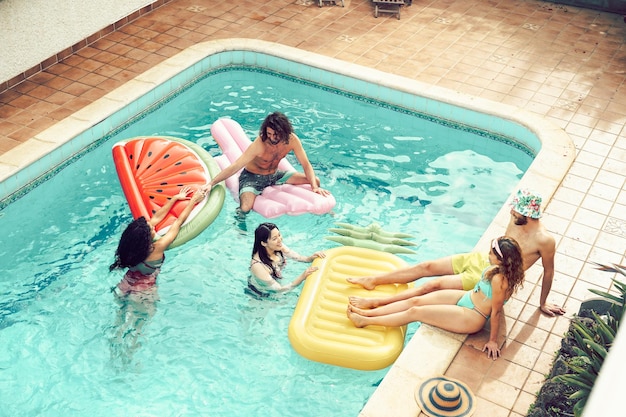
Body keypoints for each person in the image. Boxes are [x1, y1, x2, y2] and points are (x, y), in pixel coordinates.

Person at [347, 189, 566, 316]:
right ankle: (373, 280)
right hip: (480, 258)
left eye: (515, 210)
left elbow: (548, 272)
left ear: (528, 215)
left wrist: (543, 303)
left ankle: (377, 303)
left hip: (489, 275)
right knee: (427, 267)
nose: (511, 211)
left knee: (430, 286)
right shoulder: (516, 218)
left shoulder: (544, 241)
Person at [347, 236, 525, 360]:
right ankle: (369, 311)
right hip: (467, 298)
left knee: (415, 312)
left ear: (502, 260)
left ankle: (365, 320)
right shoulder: (496, 268)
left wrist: (493, 340)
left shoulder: (500, 281)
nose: (488, 253)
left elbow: (495, 312)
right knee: (415, 300)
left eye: (492, 252)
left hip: (473, 314)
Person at [203, 112, 331, 214]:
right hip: (252, 178)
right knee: (245, 208)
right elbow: (236, 165)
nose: (271, 137)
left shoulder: (292, 140)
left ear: (284, 132)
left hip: (275, 175)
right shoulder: (260, 143)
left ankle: (324, 210)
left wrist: (314, 187)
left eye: (275, 134)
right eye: (269, 133)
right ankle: (240, 229)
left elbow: (306, 164)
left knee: (316, 180)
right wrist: (211, 183)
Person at [109, 185, 206, 297]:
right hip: (144, 288)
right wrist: (193, 200)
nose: (152, 226)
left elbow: (156, 218)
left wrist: (175, 198)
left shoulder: (131, 246)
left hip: (126, 281)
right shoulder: (157, 247)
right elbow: (178, 223)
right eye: (151, 229)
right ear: (146, 239)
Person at [248, 222, 325, 297]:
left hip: (276, 281)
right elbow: (279, 290)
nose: (280, 240)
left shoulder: (278, 246)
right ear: (264, 243)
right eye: (274, 238)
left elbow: (298, 257)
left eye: (279, 235)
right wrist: (302, 277)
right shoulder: (258, 266)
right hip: (261, 294)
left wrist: (311, 258)